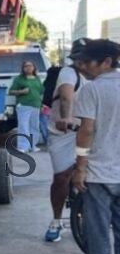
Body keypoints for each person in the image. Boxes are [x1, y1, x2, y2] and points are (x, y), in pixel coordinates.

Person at [68, 39, 120, 254]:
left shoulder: (91, 90)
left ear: (107, 61)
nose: (84, 66)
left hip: (100, 172)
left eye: (89, 61)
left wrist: (80, 168)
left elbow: (86, 131)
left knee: (97, 228)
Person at [44, 40, 88, 242]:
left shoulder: (99, 75)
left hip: (88, 130)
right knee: (61, 177)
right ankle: (56, 220)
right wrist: (66, 117)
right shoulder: (69, 73)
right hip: (63, 132)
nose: (83, 63)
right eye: (78, 58)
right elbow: (66, 97)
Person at [8, 61, 44, 154]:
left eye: (30, 65)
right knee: (23, 126)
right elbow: (11, 91)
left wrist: (41, 104)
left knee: (35, 127)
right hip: (24, 105)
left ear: (34, 67)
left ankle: (32, 146)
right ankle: (23, 147)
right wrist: (21, 92)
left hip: (36, 105)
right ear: (23, 68)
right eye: (26, 66)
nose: (28, 67)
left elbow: (40, 92)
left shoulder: (37, 78)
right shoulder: (19, 79)